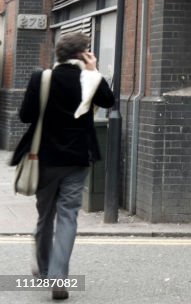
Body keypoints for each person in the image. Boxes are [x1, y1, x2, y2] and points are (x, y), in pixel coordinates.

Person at [11, 33, 114, 300]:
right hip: (77, 159)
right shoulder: (89, 79)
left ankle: (44, 270)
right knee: (68, 215)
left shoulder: (41, 78)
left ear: (58, 53)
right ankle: (59, 276)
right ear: (84, 54)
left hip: (43, 159)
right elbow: (108, 101)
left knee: (45, 215)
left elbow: (25, 116)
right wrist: (94, 71)